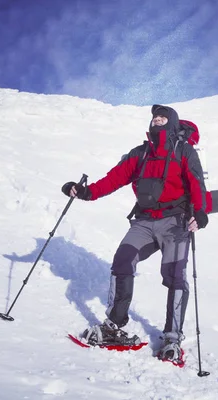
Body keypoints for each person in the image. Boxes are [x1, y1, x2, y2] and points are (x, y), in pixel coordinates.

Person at [62, 104, 209, 363]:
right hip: (143, 221)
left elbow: (197, 182)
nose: (158, 121)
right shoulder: (140, 154)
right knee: (122, 260)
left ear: (173, 123)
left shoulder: (183, 151)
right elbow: (113, 179)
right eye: (155, 118)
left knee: (174, 275)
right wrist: (85, 192)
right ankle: (114, 325)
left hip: (176, 221)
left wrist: (200, 212)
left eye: (163, 118)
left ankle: (172, 339)